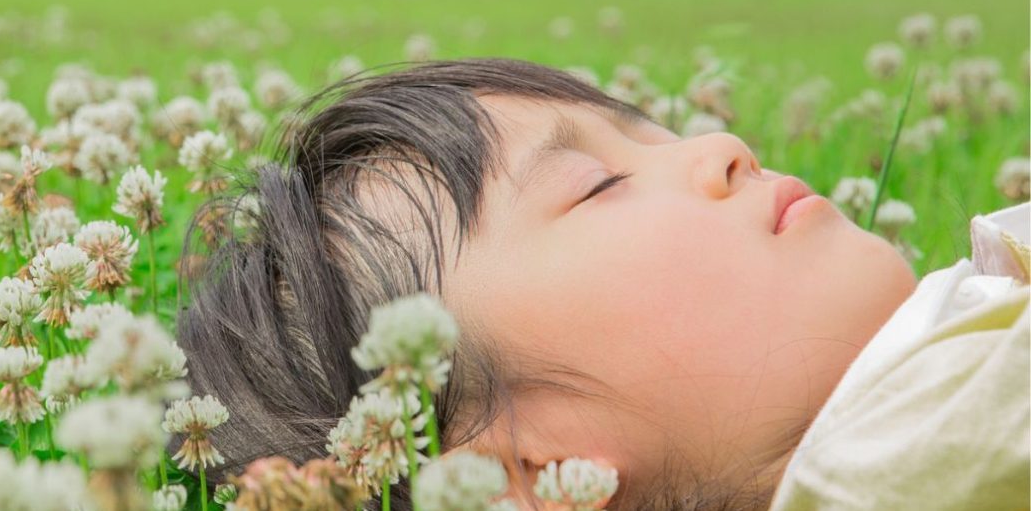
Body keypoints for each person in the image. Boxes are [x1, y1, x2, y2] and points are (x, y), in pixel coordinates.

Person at [176, 57, 1028, 510]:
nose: (722, 146)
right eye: (597, 183)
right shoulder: (910, 460)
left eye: (653, 135)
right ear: (530, 479)